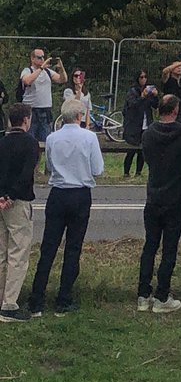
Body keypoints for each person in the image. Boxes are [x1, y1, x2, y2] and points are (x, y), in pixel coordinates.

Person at [27, 99, 104, 315]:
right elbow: (97, 169)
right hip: (80, 194)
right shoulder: (89, 137)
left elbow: (50, 167)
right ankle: (63, 299)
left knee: (48, 247)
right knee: (73, 248)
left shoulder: (52, 138)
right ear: (80, 116)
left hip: (58, 194)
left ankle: (37, 299)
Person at [137, 93, 181, 314]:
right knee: (169, 248)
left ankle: (143, 293)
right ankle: (162, 295)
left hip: (154, 194)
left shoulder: (148, 134)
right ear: (175, 110)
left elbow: (147, 158)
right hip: (176, 196)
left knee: (150, 245)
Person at [0, 104, 40, 321]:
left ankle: (1, 296)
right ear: (26, 120)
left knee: (2, 252)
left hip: (0, 200)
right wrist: (11, 196)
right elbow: (26, 174)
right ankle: (9, 304)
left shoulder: (2, 142)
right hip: (17, 202)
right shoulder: (30, 144)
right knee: (18, 253)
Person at [20, 48, 67, 143]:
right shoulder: (27, 70)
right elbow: (27, 80)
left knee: (46, 140)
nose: (42, 59)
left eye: (43, 57)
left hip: (45, 110)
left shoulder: (48, 72)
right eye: (39, 57)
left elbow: (63, 80)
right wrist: (41, 68)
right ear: (32, 59)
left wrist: (60, 67)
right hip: (31, 110)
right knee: (30, 140)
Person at [121, 70, 159, 177]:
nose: (143, 79)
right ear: (137, 78)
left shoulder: (148, 90)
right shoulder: (133, 91)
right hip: (134, 124)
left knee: (142, 151)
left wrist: (155, 96)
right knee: (131, 150)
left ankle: (138, 172)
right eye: (141, 77)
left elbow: (156, 105)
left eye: (145, 77)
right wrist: (142, 97)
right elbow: (133, 105)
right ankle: (126, 172)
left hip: (146, 124)